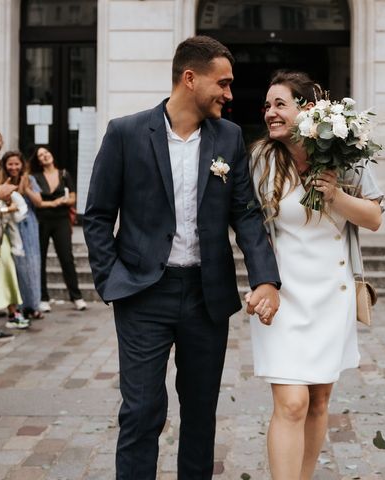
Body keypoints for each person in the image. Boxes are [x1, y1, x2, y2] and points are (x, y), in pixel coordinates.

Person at [83, 36, 280, 479]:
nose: (230, 95)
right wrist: (110, 278)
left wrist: (265, 278)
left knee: (200, 415)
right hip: (143, 294)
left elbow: (246, 215)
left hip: (206, 298)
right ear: (190, 79)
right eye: (223, 83)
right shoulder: (126, 132)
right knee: (140, 411)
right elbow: (96, 215)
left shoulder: (228, 138)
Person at [250, 71, 383, 480]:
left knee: (320, 401)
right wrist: (259, 281)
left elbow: (375, 218)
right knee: (291, 403)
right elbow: (247, 224)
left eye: (279, 105)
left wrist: (337, 195)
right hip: (284, 296)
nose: (270, 113)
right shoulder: (260, 160)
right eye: (267, 106)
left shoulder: (347, 157)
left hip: (332, 293)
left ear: (307, 111)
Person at [29, 146, 86, 312]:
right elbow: (37, 201)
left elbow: (73, 198)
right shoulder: (35, 177)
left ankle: (77, 297)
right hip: (42, 220)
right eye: (41, 155)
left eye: (46, 152)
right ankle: (43, 297)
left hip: (61, 219)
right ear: (38, 161)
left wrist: (62, 201)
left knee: (67, 258)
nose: (45, 156)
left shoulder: (64, 174)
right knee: (41, 258)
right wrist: (58, 201)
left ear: (51, 155)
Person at [0, 149, 30, 329]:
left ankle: (12, 312)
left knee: (5, 272)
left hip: (1, 235)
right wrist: (8, 209)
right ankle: (4, 314)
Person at [2, 151, 43, 320]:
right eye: (10, 164)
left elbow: (39, 202)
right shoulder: (2, 181)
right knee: (15, 265)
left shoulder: (30, 179)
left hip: (28, 224)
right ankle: (18, 305)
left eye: (16, 164)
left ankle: (33, 305)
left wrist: (25, 189)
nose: (13, 167)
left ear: (22, 164)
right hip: (9, 225)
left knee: (32, 264)